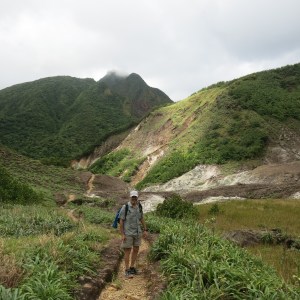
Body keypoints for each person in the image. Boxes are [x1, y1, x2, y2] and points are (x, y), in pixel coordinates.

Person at [119, 190, 148, 278]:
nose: (134, 199)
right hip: (128, 233)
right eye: (133, 197)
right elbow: (121, 221)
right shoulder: (125, 207)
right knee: (127, 251)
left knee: (136, 250)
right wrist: (122, 234)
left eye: (135, 197)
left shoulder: (139, 206)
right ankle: (127, 270)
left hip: (137, 232)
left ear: (137, 197)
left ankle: (132, 267)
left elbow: (141, 218)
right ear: (130, 197)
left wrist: (145, 229)